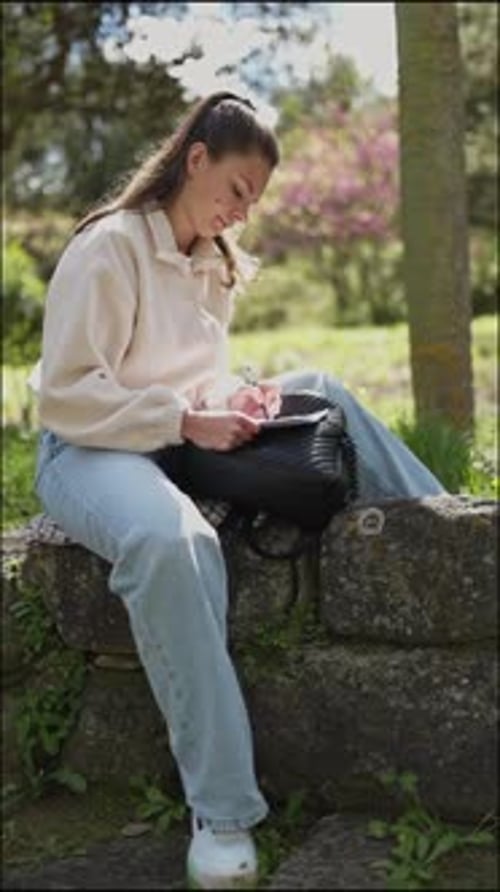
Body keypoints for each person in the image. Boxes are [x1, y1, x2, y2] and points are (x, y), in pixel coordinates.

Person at [28, 91, 447, 889]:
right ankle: (222, 815)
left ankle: (468, 545)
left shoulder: (212, 263)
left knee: (324, 389)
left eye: (255, 198)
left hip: (179, 434)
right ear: (195, 159)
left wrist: (232, 398)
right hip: (89, 448)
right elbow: (67, 397)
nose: (243, 211)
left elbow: (194, 378)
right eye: (236, 189)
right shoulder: (108, 247)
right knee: (172, 542)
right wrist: (186, 418)